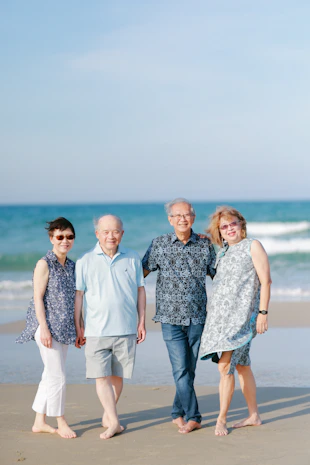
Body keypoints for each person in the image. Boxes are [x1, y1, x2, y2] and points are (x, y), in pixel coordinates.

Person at [142, 198, 216, 433]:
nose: (182, 219)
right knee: (181, 370)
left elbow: (220, 276)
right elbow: (138, 275)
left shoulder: (205, 246)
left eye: (187, 215)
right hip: (169, 319)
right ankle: (194, 416)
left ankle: (177, 412)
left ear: (193, 218)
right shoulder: (159, 244)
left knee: (189, 369)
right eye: (178, 215)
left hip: (198, 318)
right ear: (170, 219)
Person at [199, 206, 272, 436]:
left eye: (233, 224)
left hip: (241, 319)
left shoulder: (253, 246)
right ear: (219, 232)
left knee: (225, 366)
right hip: (219, 320)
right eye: (224, 227)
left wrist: (263, 313)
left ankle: (221, 419)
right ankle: (254, 415)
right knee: (242, 366)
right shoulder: (222, 252)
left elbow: (266, 281)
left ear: (241, 225)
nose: (229, 229)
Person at [74, 214, 146, 440]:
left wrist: (141, 321)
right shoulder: (85, 261)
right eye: (105, 231)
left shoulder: (133, 257)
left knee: (118, 376)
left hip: (126, 328)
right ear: (97, 234)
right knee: (100, 376)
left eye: (115, 231)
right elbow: (79, 295)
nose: (111, 236)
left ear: (122, 234)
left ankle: (109, 415)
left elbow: (140, 291)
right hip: (96, 330)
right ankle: (114, 421)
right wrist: (79, 325)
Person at [16, 217, 77, 439]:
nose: (65, 241)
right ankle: (60, 421)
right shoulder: (44, 263)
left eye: (69, 237)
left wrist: (78, 327)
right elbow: (37, 298)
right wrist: (44, 328)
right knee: (58, 376)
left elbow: (72, 301)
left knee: (50, 375)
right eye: (60, 237)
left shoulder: (71, 265)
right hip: (45, 327)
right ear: (51, 238)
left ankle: (39, 422)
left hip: (64, 328)